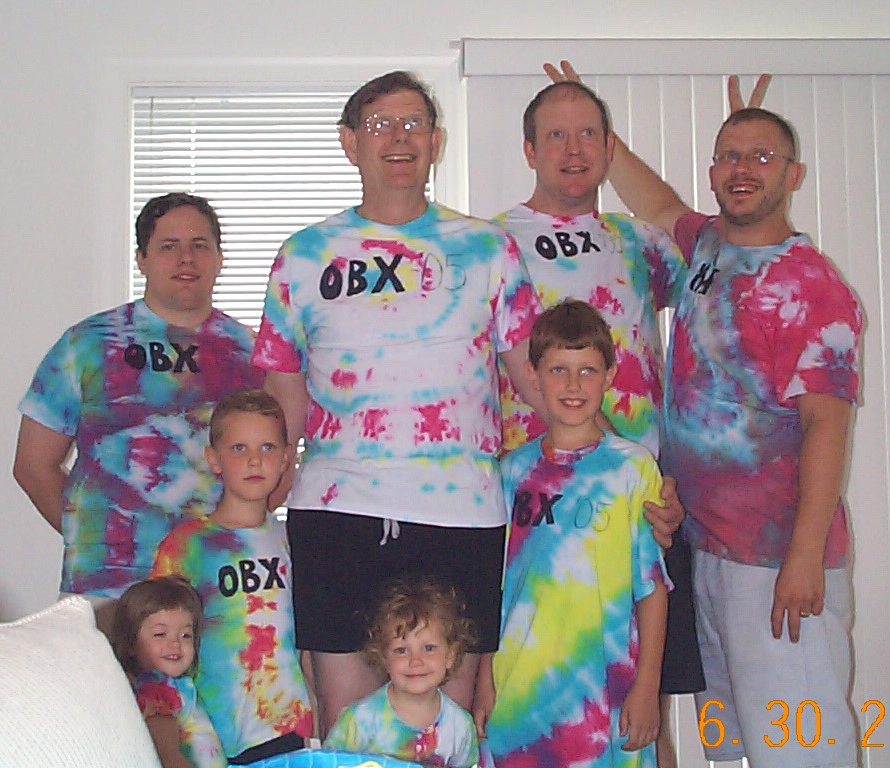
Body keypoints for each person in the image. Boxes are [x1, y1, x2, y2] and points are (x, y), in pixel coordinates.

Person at [551, 63, 862, 768]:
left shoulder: (810, 285)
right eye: (729, 156)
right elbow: (659, 204)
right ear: (714, 172)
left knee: (801, 753)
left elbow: (827, 424)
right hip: (704, 549)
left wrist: (804, 556)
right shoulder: (709, 248)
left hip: (773, 563)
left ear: (793, 174)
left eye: (762, 157)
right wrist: (598, 132)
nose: (743, 169)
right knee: (736, 745)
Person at [252, 70, 543, 734]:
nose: (399, 138)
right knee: (346, 724)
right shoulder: (303, 256)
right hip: (338, 514)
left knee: (447, 728)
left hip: (461, 516)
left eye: (413, 124)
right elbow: (283, 392)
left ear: (436, 142)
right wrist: (253, 499)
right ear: (350, 143)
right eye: (381, 125)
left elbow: (535, 376)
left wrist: (619, 464)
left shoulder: (488, 249)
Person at [491, 80, 699, 765]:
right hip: (531, 510)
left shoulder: (641, 243)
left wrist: (668, 484)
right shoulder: (491, 244)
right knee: (533, 699)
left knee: (642, 714)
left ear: (610, 148)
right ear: (529, 150)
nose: (573, 149)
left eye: (589, 134)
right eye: (556, 134)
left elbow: (695, 234)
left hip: (635, 501)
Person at [14, 192, 266, 628]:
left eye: (199, 245)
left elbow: (278, 463)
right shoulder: (88, 345)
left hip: (217, 585)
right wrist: (92, 536)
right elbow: (33, 466)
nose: (186, 258)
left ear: (220, 259)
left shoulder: (252, 354)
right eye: (169, 246)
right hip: (107, 590)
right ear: (142, 259)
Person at [479, 300, 670, 768]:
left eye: (587, 371)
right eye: (558, 370)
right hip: (521, 696)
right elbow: (493, 592)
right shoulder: (511, 473)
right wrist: (485, 680)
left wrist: (647, 687)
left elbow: (652, 588)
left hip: (604, 695)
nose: (572, 385)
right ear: (533, 375)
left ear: (609, 376)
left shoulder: (632, 469)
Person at [152, 389, 313, 764]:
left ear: (286, 459)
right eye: (239, 448)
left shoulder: (293, 541)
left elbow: (305, 642)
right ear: (214, 459)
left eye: (268, 448)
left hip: (285, 728)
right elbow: (154, 644)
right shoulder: (186, 546)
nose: (255, 460)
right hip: (213, 734)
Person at [324, 575, 479, 768]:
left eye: (428, 648)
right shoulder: (358, 721)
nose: (415, 661)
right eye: (401, 650)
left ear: (450, 655)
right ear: (383, 657)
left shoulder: (460, 726)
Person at [111, 575, 226, 768]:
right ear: (130, 643)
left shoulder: (176, 686)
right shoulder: (155, 688)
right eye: (160, 634)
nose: (175, 643)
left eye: (185, 635)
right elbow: (167, 753)